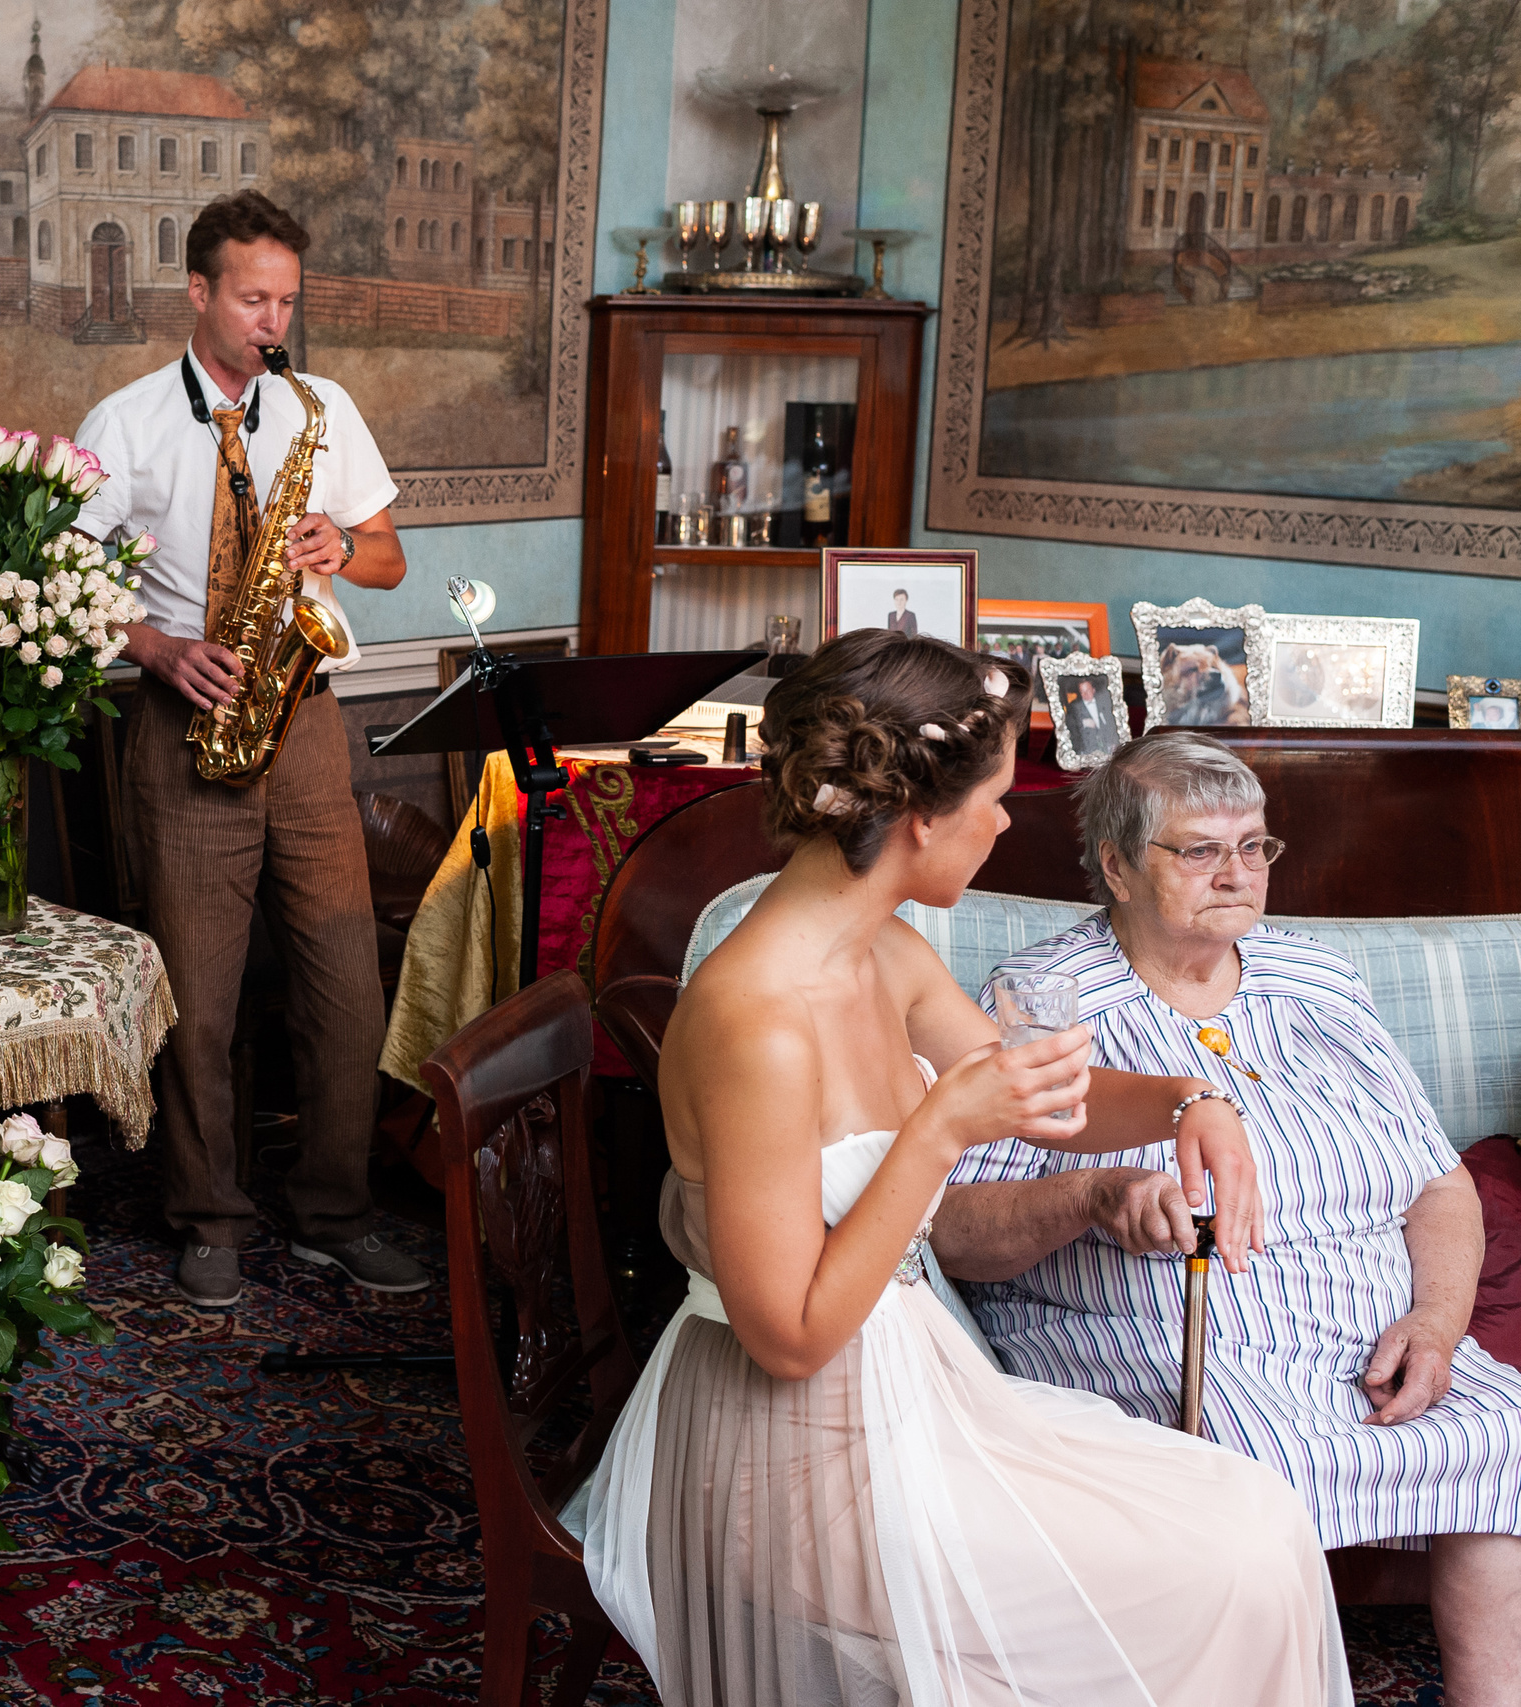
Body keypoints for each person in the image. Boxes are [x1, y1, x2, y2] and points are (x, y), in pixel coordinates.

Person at [573, 631, 1346, 1705]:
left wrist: (1187, 1101)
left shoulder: (886, 949)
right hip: (784, 1456)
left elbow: (1035, 1099)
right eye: (991, 798)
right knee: (1217, 1566)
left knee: (1254, 1519)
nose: (1001, 820)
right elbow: (787, 1339)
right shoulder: (753, 1023)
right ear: (919, 818)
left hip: (912, 1390)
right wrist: (938, 1131)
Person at [935, 728, 1521, 1707]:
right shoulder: (1041, 1002)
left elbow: (1436, 1185)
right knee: (1258, 1471)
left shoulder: (1316, 979)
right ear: (1116, 866)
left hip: (1369, 1336)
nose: (1236, 873)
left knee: (1507, 1435)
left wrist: (1436, 1324)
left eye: (1253, 846)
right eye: (1199, 850)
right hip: (1159, 1334)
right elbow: (953, 1229)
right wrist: (1093, 1197)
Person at [70, 190, 425, 1309]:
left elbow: (389, 560)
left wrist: (340, 543)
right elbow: (63, 584)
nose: (274, 319)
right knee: (203, 1001)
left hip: (306, 720)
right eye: (254, 297)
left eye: (286, 299)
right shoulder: (121, 423)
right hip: (182, 721)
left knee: (343, 989)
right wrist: (161, 652)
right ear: (198, 291)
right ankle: (210, 1215)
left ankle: (335, 1210)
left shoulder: (320, 407)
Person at [1063, 676, 1118, 756]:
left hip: (1107, 746)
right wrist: (1083, 723)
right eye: (1082, 692)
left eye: (1088, 690)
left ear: (1093, 690)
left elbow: (1111, 723)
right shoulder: (1074, 706)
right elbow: (1070, 725)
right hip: (1087, 749)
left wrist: (1114, 742)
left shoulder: (1103, 703)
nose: (1085, 694)